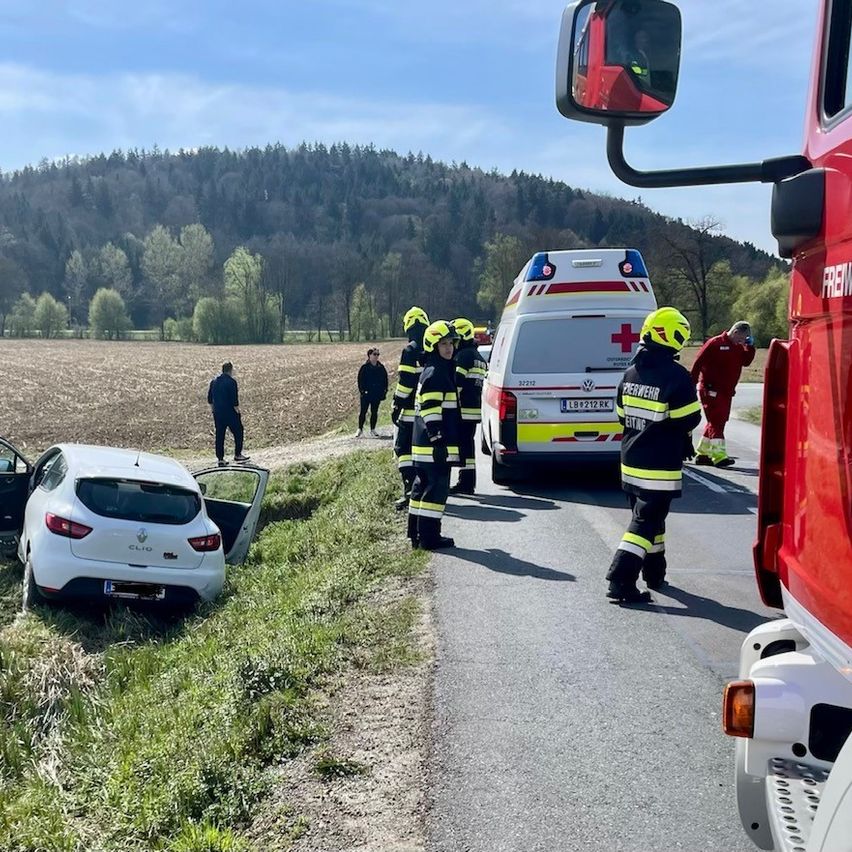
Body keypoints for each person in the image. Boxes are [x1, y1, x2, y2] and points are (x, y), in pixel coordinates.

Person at [606, 307, 702, 603]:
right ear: (673, 336)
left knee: (652, 521)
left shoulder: (630, 372)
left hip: (631, 461)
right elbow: (689, 419)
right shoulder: (676, 376)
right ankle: (621, 580)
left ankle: (654, 573)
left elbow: (621, 415)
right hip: (659, 465)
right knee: (645, 524)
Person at [408, 320, 462, 551]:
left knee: (421, 488)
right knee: (436, 491)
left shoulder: (433, 369)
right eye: (443, 344)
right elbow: (430, 410)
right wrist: (438, 440)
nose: (449, 348)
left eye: (451, 343)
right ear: (433, 346)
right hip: (434, 447)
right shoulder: (438, 373)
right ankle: (429, 538)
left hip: (423, 445)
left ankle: (416, 534)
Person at [690, 321, 757, 467]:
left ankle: (703, 453)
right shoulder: (715, 343)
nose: (742, 341)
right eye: (742, 338)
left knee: (717, 421)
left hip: (726, 391)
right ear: (735, 332)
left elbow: (746, 361)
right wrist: (691, 384)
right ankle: (719, 456)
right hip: (711, 389)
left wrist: (750, 347)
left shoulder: (738, 347)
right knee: (717, 422)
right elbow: (698, 363)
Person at [392, 306, 430, 510]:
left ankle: (409, 491)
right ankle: (424, 490)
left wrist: (397, 404)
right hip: (429, 410)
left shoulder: (410, 350)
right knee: (423, 452)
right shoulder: (433, 347)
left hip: (409, 411)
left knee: (403, 449)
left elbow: (406, 382)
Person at [450, 317, 488, 494]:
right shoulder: (479, 357)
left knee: (462, 446)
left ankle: (464, 483)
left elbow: (456, 383)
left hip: (462, 409)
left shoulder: (464, 356)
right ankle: (467, 482)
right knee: (468, 446)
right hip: (473, 410)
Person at [207, 362, 251, 467]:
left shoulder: (214, 381)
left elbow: (209, 399)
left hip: (218, 413)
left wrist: (214, 410)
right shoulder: (231, 382)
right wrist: (237, 411)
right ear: (230, 370)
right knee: (238, 431)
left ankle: (220, 458)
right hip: (230, 412)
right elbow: (234, 399)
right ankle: (238, 454)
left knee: (220, 435)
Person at [355, 348, 388, 437]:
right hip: (366, 394)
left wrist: (384, 391)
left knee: (374, 412)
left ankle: (373, 429)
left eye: (378, 354)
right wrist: (362, 391)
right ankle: (360, 429)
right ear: (369, 355)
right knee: (363, 412)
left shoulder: (381, 367)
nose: (376, 356)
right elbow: (360, 380)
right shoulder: (364, 367)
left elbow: (385, 380)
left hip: (376, 394)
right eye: (374, 354)